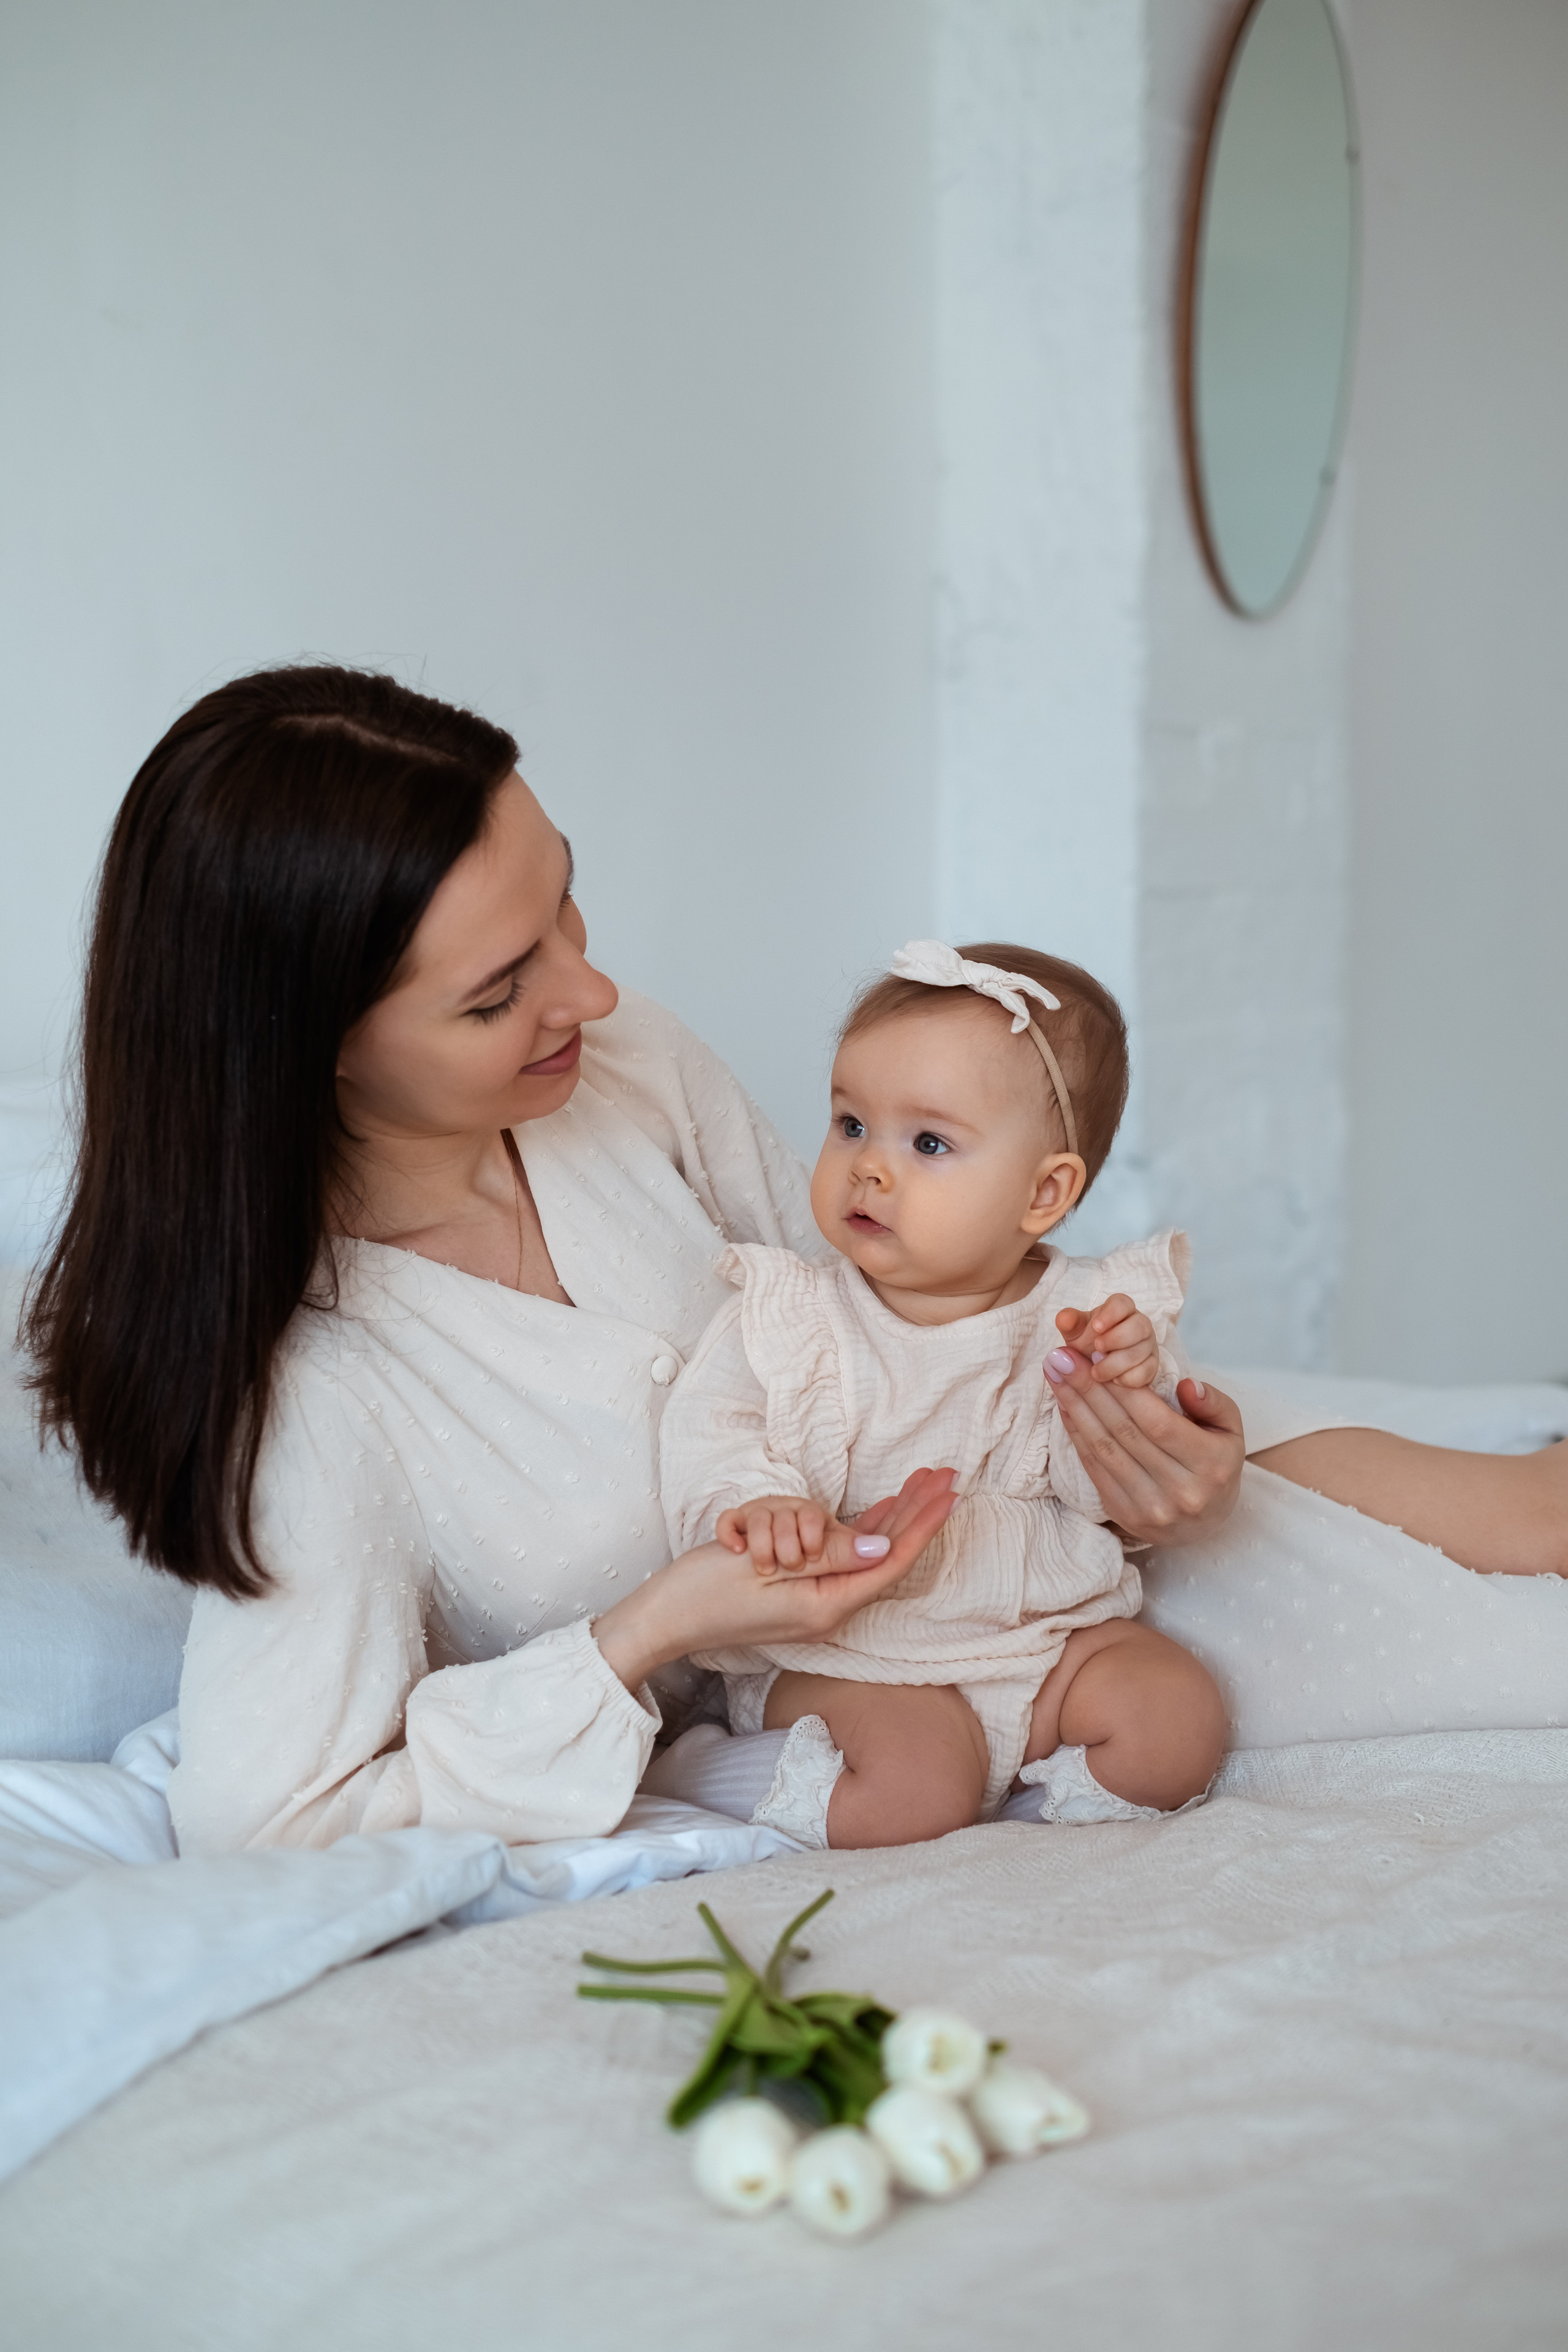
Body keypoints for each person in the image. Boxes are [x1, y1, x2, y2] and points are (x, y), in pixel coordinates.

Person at [23, 668, 1567, 1857]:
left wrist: (1148, 1461)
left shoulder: (616, 1066)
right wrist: (656, 1635)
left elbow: (853, 1283)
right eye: (504, 991)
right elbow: (266, 1821)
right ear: (315, 1051)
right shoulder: (320, 1397)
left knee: (1501, 1497)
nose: (596, 985)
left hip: (1029, 1507)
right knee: (1482, 1664)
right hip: (874, 1684)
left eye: (565, 898)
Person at [660, 941, 1225, 1849]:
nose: (870, 1167)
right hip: (854, 1657)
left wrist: (1128, 1401)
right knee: (916, 1792)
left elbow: (1125, 1509)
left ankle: (1024, 1807)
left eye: (927, 1143)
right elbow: (710, 1435)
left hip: (1045, 1639)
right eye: (850, 1124)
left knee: (1179, 1717)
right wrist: (755, 1503)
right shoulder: (793, 1316)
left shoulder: (1090, 1321)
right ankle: (704, 1772)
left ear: (1044, 1193)